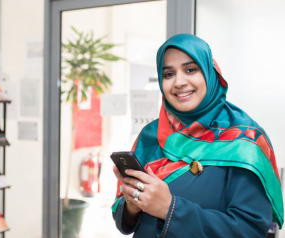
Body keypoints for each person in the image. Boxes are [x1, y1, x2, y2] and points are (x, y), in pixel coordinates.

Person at [111, 34, 283, 238]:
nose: (179, 82)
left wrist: (169, 208)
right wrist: (132, 200)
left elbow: (250, 230)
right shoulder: (150, 135)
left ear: (210, 73)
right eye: (168, 74)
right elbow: (126, 225)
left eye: (190, 69)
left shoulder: (243, 139)